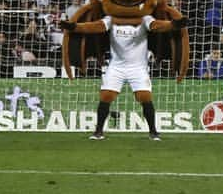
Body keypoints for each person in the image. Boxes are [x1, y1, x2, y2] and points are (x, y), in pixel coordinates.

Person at [60, 13, 187, 141]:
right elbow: (96, 27)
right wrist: (75, 27)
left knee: (145, 97)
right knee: (105, 96)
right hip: (116, 67)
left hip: (138, 68)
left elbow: (156, 26)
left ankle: (153, 132)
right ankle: (98, 131)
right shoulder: (111, 19)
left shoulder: (144, 18)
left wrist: (173, 25)